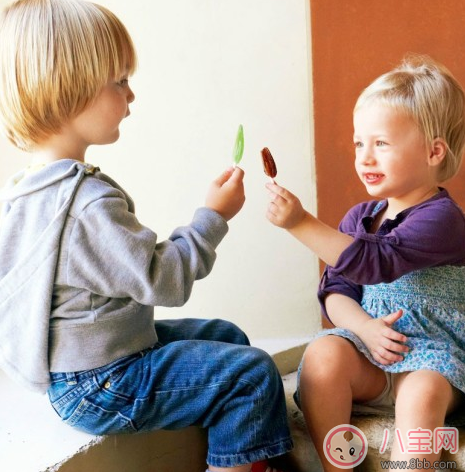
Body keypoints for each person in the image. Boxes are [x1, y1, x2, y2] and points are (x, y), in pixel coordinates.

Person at [0, 1, 293, 471]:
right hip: (102, 383)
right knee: (252, 374)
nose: (131, 96)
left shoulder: (29, 190)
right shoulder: (85, 204)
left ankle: (248, 449)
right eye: (120, 81)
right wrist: (212, 217)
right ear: (68, 89)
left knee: (228, 337)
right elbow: (164, 281)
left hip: (86, 367)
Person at [265, 55, 465, 471]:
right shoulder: (360, 218)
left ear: (433, 152)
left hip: (433, 360)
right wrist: (364, 329)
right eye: (360, 143)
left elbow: (379, 261)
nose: (365, 157)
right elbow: (336, 290)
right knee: (321, 356)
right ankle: (337, 465)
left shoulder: (442, 220)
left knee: (422, 393)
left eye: (382, 143)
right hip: (371, 355)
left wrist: (300, 223)